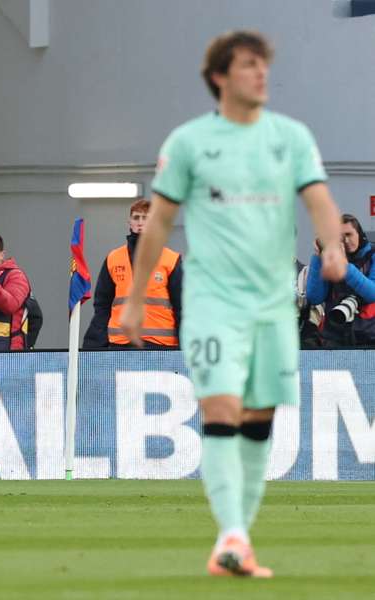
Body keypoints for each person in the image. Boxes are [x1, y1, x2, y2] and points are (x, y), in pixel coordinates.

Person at [119, 31, 347, 578]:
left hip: (272, 304)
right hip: (213, 300)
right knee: (221, 409)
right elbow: (162, 223)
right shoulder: (191, 142)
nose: (262, 75)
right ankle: (233, 536)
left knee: (258, 416)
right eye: (249, 66)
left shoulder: (290, 137)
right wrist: (134, 295)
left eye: (264, 66)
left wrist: (333, 244)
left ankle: (238, 535)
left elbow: (318, 198)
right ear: (221, 77)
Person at [84, 199, 183, 349]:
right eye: (136, 218)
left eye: (146, 218)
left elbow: (181, 307)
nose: (140, 223)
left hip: (160, 347)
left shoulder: (170, 260)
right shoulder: (114, 259)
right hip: (121, 345)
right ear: (129, 222)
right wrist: (95, 346)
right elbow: (102, 307)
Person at [305, 214, 375, 347]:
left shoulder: (372, 256)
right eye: (341, 237)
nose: (346, 240)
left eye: (349, 234)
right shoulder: (329, 260)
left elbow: (373, 293)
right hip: (335, 334)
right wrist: (318, 258)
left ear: (359, 234)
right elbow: (315, 298)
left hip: (369, 335)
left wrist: (344, 266)